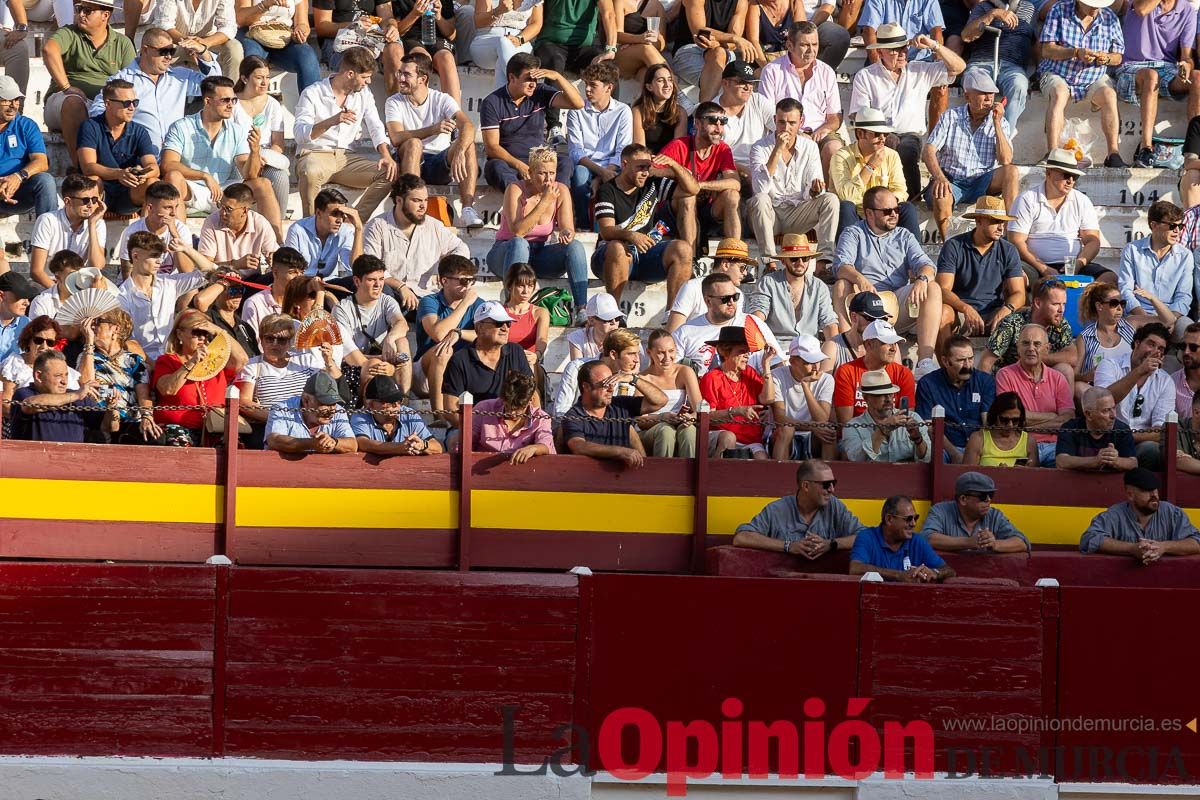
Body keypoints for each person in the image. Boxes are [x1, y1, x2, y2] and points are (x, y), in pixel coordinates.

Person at [831, 186, 946, 371]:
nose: (894, 214)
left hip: (895, 303)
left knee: (932, 287)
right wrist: (860, 278)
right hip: (865, 306)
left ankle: (924, 362)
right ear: (869, 213)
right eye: (887, 211)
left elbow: (927, 266)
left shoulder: (904, 235)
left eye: (896, 209)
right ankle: (847, 352)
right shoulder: (853, 233)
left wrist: (922, 279)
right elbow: (840, 266)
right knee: (841, 284)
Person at [847, 24, 964, 202]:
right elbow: (860, 115)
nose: (902, 53)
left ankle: (910, 201)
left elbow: (959, 67)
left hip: (910, 134)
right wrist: (883, 133)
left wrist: (934, 45)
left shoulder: (920, 69)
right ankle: (888, 202)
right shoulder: (866, 76)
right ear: (881, 52)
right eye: (895, 50)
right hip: (879, 134)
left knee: (907, 150)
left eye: (904, 48)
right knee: (891, 148)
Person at [161, 75, 284, 241]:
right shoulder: (182, 126)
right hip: (191, 190)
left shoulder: (237, 130)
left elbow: (249, 175)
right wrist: (204, 176)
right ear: (207, 101)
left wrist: (255, 151)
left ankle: (277, 247)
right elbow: (168, 164)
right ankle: (178, 246)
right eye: (225, 100)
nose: (231, 105)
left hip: (225, 190)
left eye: (233, 100)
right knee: (173, 177)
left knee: (263, 184)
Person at [292, 48, 397, 219]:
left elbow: (375, 125)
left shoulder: (364, 94)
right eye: (364, 77)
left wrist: (386, 155)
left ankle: (354, 221)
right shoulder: (312, 92)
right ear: (350, 74)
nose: (369, 81)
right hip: (315, 154)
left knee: (389, 173)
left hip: (346, 159)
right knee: (309, 171)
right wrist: (331, 121)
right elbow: (300, 134)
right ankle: (310, 226)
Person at [486, 146, 589, 313]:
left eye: (552, 173)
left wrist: (566, 233)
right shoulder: (515, 189)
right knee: (519, 243)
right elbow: (518, 231)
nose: (548, 179)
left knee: (575, 246)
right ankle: (511, 307)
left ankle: (582, 309)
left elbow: (567, 226)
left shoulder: (560, 190)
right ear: (531, 172)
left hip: (540, 253)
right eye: (542, 173)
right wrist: (544, 202)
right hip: (507, 252)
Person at [386, 52, 483, 230]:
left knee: (467, 143)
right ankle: (412, 208)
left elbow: (468, 125)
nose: (400, 78)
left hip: (438, 161)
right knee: (414, 143)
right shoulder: (394, 101)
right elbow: (396, 137)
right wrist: (432, 129)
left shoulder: (441, 99)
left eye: (406, 74)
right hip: (409, 160)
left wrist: (460, 150)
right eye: (400, 73)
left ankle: (468, 209)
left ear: (422, 79)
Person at [593, 143, 696, 309]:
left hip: (644, 255)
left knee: (683, 249)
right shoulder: (607, 189)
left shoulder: (652, 183)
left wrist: (674, 165)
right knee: (617, 248)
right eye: (640, 167)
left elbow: (692, 189)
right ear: (624, 164)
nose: (645, 172)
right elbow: (606, 231)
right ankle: (612, 313)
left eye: (648, 167)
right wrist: (632, 235)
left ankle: (673, 315)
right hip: (609, 258)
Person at [922, 71, 1017, 241]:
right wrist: (940, 178)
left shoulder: (1000, 122)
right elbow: (928, 150)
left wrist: (996, 124)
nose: (989, 98)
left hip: (981, 181)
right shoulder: (951, 117)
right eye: (982, 93)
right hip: (952, 180)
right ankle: (949, 245)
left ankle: (1011, 234)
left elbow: (1006, 160)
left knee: (1011, 171)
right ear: (967, 95)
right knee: (941, 193)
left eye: (991, 93)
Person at [42, 0, 136, 170]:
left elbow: (132, 82)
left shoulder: (123, 43)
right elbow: (49, 50)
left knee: (127, 105)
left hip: (104, 104)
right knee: (73, 102)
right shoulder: (69, 33)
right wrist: (66, 87)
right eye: (78, 9)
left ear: (105, 15)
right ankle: (82, 169)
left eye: (88, 10)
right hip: (63, 101)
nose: (81, 14)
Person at [98, 27, 219, 152]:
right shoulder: (122, 79)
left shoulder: (181, 76)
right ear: (145, 50)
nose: (168, 57)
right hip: (138, 156)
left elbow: (216, 86)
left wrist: (203, 51)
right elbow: (99, 110)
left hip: (177, 155)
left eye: (172, 51)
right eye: (163, 51)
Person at [747, 97, 838, 261]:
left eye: (792, 123)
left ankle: (824, 261)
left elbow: (815, 185)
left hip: (798, 213)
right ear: (774, 120)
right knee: (760, 199)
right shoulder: (759, 147)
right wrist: (777, 150)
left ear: (801, 122)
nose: (786, 128)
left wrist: (814, 190)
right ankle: (769, 261)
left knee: (830, 199)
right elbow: (760, 189)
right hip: (770, 215)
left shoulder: (809, 147)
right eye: (781, 122)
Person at [1038, 0, 1126, 168]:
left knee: (1109, 95)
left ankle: (1113, 153)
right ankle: (1053, 152)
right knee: (1059, 93)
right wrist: (1075, 52)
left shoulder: (1110, 17)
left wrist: (1106, 58)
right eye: (1092, 4)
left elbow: (1118, 56)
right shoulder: (1059, 10)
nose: (1095, 9)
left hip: (1093, 76)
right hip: (1058, 72)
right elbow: (1047, 50)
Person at [365, 175, 470, 309]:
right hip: (390, 294)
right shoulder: (377, 226)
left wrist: (448, 270)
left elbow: (461, 248)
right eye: (416, 200)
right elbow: (372, 269)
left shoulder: (434, 226)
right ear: (399, 200)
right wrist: (401, 287)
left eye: (425, 200)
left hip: (426, 296)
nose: (423, 206)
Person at [480, 53, 583, 189]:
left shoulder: (540, 92)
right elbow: (492, 148)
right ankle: (521, 205)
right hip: (510, 163)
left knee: (565, 162)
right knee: (495, 167)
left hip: (539, 159)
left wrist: (557, 76)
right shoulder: (492, 102)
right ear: (512, 78)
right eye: (528, 79)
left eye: (536, 80)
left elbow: (578, 103)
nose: (533, 85)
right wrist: (519, 165)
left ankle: (555, 203)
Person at [755, 22, 843, 177]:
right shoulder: (772, 71)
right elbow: (766, 114)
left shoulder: (827, 72)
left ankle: (825, 195)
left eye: (815, 44)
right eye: (804, 45)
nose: (811, 50)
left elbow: (835, 117)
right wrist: (796, 134)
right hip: (784, 132)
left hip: (819, 133)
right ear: (789, 45)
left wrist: (821, 131)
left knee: (834, 147)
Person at [1116, 0, 1197, 165]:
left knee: (1197, 77)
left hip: (1166, 68)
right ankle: (1145, 148)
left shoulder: (1187, 10)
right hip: (1131, 66)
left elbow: (1186, 56)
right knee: (1151, 76)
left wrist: (1186, 66)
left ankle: (1195, 148)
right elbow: (1142, 9)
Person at [152, 309, 249, 446]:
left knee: (234, 447)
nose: (202, 338)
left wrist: (218, 331)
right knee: (179, 444)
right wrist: (191, 363)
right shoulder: (167, 361)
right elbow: (168, 389)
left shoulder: (217, 360)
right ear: (180, 334)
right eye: (197, 332)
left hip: (215, 427)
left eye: (206, 333)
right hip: (179, 427)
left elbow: (242, 359)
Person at [119, 231, 218, 360]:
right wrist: (151, 366)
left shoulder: (169, 283)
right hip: (142, 362)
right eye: (154, 256)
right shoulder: (121, 295)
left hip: (173, 358)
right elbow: (128, 341)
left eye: (160, 256)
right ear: (136, 256)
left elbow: (211, 272)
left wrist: (186, 249)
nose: (159, 261)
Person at [936, 196, 1024, 339]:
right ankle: (944, 361)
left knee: (1022, 318)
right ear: (979, 221)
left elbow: (1019, 293)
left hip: (994, 312)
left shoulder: (1008, 250)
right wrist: (965, 308)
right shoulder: (954, 246)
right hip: (961, 312)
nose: (1001, 227)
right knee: (942, 314)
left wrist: (1006, 310)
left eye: (1002, 221)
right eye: (995, 221)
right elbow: (942, 290)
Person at [733, 459, 861, 557]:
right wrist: (788, 546)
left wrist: (831, 544)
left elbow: (866, 536)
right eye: (826, 484)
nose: (832, 490)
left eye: (834, 483)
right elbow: (741, 537)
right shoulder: (777, 509)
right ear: (806, 486)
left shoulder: (834, 506)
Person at [660, 101, 743, 250]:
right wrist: (679, 173)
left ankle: (734, 256)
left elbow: (735, 183)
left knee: (732, 195)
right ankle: (690, 260)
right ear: (697, 124)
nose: (719, 128)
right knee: (687, 195)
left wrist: (700, 185)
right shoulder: (679, 145)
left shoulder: (723, 149)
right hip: (677, 211)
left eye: (723, 122)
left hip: (706, 210)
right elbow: (652, 170)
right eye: (712, 121)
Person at [441, 301, 534, 428]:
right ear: (479, 327)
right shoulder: (460, 360)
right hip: (471, 428)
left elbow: (532, 393)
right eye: (498, 323)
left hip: (514, 426)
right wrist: (480, 431)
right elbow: (451, 409)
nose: (505, 328)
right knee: (454, 442)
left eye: (508, 323)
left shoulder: (516, 351)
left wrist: (529, 427)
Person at [829, 108, 918, 238]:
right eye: (877, 134)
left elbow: (900, 190)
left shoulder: (891, 155)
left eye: (885, 134)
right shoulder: (841, 156)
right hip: (855, 214)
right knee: (846, 207)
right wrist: (870, 166)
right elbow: (846, 196)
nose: (882, 139)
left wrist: (884, 207)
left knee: (907, 208)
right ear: (860, 133)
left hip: (884, 213)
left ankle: (916, 256)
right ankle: (846, 256)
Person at [747, 234, 838, 360]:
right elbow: (758, 317)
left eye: (805, 258)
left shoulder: (819, 286)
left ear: (810, 259)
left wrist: (834, 353)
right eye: (794, 259)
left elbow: (829, 322)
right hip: (776, 350)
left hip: (810, 351)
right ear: (783, 261)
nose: (800, 263)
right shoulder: (768, 282)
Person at [1094, 322, 1173, 468]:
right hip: (1105, 440)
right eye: (1151, 344)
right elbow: (1100, 403)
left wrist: (1127, 437)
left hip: (1138, 445)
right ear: (1137, 343)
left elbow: (1160, 432)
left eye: (1161, 349)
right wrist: (1139, 371)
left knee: (1152, 449)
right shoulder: (1109, 365)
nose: (1155, 352)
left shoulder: (1166, 381)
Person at [76, 308, 161, 443]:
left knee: (153, 437)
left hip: (129, 421)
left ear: (115, 328)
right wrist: (89, 342)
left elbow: (143, 393)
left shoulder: (133, 360)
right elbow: (85, 384)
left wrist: (147, 417)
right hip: (99, 419)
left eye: (97, 321)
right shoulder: (86, 357)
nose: (92, 326)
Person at [332, 254, 411, 397]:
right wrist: (383, 361)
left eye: (381, 279)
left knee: (402, 340)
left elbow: (402, 324)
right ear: (357, 281)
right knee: (372, 364)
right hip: (354, 366)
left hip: (382, 359)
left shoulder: (387, 301)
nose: (378, 285)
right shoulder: (342, 309)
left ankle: (403, 396)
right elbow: (348, 356)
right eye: (371, 280)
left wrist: (390, 339)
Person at [78, 78, 160, 216]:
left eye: (135, 102)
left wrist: (142, 175)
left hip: (128, 192)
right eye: (126, 103)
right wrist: (119, 174)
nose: (132, 107)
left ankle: (147, 232)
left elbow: (154, 167)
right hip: (101, 191)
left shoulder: (140, 131)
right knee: (92, 180)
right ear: (108, 104)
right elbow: (88, 166)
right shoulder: (90, 127)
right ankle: (92, 227)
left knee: (153, 183)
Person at [995, 323, 1075, 466]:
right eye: (1026, 343)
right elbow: (1010, 415)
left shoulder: (1058, 378)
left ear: (1047, 349)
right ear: (1018, 347)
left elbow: (1067, 420)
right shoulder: (1005, 375)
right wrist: (1051, 416)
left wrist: (1028, 426)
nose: (1031, 348)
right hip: (1019, 446)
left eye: (1037, 344)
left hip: (1054, 447)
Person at [414, 255, 485, 414]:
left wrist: (459, 333)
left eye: (471, 281)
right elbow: (438, 334)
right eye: (463, 281)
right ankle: (438, 414)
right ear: (444, 281)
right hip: (426, 373)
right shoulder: (429, 301)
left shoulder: (479, 304)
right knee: (444, 351)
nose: (468, 287)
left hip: (461, 372)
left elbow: (488, 336)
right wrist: (465, 304)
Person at [673, 273, 783, 375]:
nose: (731, 302)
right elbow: (670, 372)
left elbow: (777, 366)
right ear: (708, 301)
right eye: (724, 299)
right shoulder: (685, 332)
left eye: (735, 297)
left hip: (749, 392)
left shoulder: (753, 323)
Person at [1079, 468, 1200, 561]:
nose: (1154, 495)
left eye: (1155, 489)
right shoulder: (1115, 515)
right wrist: (1131, 549)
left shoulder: (1172, 513)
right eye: (1146, 490)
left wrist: (1164, 546)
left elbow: (1196, 542)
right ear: (1130, 495)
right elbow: (1089, 539)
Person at [567, 61, 632, 230]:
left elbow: (622, 150)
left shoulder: (623, 111)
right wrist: (601, 173)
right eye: (586, 84)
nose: (587, 89)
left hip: (613, 165)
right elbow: (576, 152)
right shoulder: (576, 110)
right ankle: (583, 224)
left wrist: (602, 176)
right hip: (587, 165)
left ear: (608, 87)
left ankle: (602, 231)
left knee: (611, 180)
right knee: (580, 176)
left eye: (593, 85)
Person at [236, 313, 315, 448]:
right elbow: (244, 402)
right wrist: (281, 418)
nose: (275, 344)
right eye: (269, 338)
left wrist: (329, 361)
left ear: (290, 342)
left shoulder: (306, 361)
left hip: (308, 428)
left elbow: (324, 391)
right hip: (271, 429)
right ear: (261, 339)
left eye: (282, 340)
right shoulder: (252, 365)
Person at [1117, 200, 1191, 339]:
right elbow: (1125, 290)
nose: (1177, 231)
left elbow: (1184, 296)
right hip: (1138, 314)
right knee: (1123, 330)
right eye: (1172, 226)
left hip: (1172, 316)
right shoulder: (1132, 250)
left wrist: (1169, 319)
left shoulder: (1185, 256)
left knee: (1192, 335)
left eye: (1180, 226)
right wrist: (1146, 318)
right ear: (1154, 225)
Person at [916, 334, 995, 463]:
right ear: (946, 361)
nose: (968, 365)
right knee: (934, 458)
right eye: (961, 360)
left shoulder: (985, 381)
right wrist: (954, 454)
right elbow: (928, 427)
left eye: (970, 359)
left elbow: (987, 422)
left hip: (980, 446)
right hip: (944, 447)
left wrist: (974, 451)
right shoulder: (928, 384)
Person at [700, 327, 777, 458]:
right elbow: (706, 416)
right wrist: (736, 411)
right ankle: (716, 477)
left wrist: (766, 365)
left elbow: (768, 399)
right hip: (721, 435)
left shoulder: (749, 373)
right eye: (742, 351)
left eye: (748, 351)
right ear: (725, 352)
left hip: (750, 440)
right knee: (729, 439)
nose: (747, 355)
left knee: (762, 459)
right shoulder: (712, 378)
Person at [960, 0, 1036, 130]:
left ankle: (1002, 137)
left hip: (1013, 67)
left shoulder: (1029, 8)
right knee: (976, 87)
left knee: (1019, 86)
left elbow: (1034, 42)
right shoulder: (983, 7)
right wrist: (992, 14)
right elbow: (966, 36)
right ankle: (977, 134)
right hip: (981, 64)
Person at [981, 278, 1076, 382]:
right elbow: (987, 361)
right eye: (1055, 304)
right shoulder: (1012, 323)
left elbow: (1072, 356)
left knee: (1065, 370)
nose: (1061, 310)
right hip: (1011, 379)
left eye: (1064, 304)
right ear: (1038, 303)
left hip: (1040, 378)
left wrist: (1037, 357)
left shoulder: (1060, 322)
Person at [562, 360, 649, 468]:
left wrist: (633, 379)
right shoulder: (574, 415)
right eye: (605, 384)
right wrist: (620, 451)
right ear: (586, 387)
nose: (611, 389)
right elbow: (579, 446)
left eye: (612, 383)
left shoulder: (620, 405)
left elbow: (660, 401)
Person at [849, 495, 956, 582]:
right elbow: (855, 568)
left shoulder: (917, 541)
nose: (913, 524)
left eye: (915, 518)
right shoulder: (867, 537)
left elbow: (949, 570)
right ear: (889, 519)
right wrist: (898, 575)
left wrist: (935, 572)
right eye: (908, 519)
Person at [232, 56, 289, 218]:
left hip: (266, 156)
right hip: (239, 156)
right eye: (259, 78)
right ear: (244, 78)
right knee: (239, 174)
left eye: (267, 77)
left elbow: (278, 144)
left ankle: (279, 223)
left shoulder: (273, 104)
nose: (265, 82)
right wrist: (252, 156)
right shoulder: (233, 103)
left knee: (280, 176)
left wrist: (262, 157)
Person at [27, 174, 107, 288]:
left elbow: (97, 266)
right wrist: (63, 293)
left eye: (94, 200)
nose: (91, 205)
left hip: (79, 287)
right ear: (67, 201)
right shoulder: (47, 220)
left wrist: (92, 224)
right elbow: (36, 272)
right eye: (85, 200)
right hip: (47, 285)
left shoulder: (97, 224)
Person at [921, 472, 1030, 553]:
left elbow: (1022, 542)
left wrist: (994, 544)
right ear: (963, 499)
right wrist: (969, 542)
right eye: (982, 496)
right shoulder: (941, 511)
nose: (988, 500)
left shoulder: (994, 515)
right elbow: (927, 538)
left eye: (990, 495)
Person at [832, 319, 915, 422]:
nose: (893, 349)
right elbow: (846, 425)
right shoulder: (847, 372)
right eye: (887, 343)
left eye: (895, 343)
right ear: (869, 344)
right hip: (858, 436)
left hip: (894, 436)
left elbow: (906, 420)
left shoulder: (903, 374)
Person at [670, 0, 753, 103]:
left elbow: (732, 44)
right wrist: (733, 38)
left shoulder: (740, 2)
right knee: (719, 54)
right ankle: (707, 110)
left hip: (723, 50)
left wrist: (718, 43)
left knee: (719, 53)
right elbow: (699, 32)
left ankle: (706, 111)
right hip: (689, 49)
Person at [636, 328, 702, 458]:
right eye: (661, 353)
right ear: (649, 353)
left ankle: (691, 476)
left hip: (680, 425)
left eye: (671, 351)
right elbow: (639, 420)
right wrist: (661, 418)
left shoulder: (685, 372)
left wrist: (690, 417)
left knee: (689, 431)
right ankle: (663, 476)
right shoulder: (642, 378)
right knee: (665, 430)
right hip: (652, 430)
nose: (667, 358)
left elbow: (700, 408)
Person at [471, 363, 555, 463]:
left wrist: (533, 448)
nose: (512, 413)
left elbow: (546, 444)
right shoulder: (484, 409)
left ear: (530, 400)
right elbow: (465, 443)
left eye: (519, 409)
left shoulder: (541, 418)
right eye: (508, 407)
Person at [842, 369, 931, 462]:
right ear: (866, 398)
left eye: (890, 394)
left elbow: (928, 459)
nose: (888, 399)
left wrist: (918, 439)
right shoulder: (852, 427)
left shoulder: (913, 418)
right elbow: (856, 459)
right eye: (881, 395)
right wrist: (882, 431)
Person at [769, 334, 835, 460]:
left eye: (818, 361)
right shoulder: (776, 376)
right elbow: (780, 418)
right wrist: (811, 426)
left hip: (812, 434)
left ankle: (828, 476)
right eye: (809, 363)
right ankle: (778, 476)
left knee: (828, 432)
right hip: (783, 434)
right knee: (787, 429)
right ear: (792, 361)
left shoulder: (827, 379)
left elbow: (822, 420)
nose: (816, 367)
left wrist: (805, 385)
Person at [665, 237, 752, 332]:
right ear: (725, 265)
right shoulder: (692, 287)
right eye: (742, 268)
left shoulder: (739, 295)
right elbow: (673, 331)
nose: (745, 273)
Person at [233, 0, 321, 93]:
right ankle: (249, 102)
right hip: (252, 33)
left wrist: (300, 32)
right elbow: (240, 18)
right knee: (252, 58)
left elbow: (302, 23)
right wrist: (264, 5)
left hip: (284, 36)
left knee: (307, 56)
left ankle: (311, 103)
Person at [8, 350, 95, 443]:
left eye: (66, 375)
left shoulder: (78, 398)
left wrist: (112, 410)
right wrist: (77, 395)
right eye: (58, 376)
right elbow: (30, 404)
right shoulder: (24, 394)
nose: (64, 381)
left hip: (73, 457)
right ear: (38, 376)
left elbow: (106, 426)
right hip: (35, 456)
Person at [0, 317, 80, 417]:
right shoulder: (15, 364)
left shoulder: (63, 369)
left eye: (50, 342)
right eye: (38, 340)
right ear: (28, 340)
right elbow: (5, 404)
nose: (44, 346)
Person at [0, 76, 54, 221]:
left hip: (19, 192)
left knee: (45, 181)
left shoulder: (26, 125)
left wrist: (18, 176)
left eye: (16, 100)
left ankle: (49, 237)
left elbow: (42, 162)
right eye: (6, 100)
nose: (13, 105)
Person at [197, 183, 280, 276]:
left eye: (228, 209)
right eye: (221, 206)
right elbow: (205, 267)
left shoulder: (260, 223)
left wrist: (274, 261)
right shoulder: (212, 222)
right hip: (220, 280)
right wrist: (236, 264)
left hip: (252, 280)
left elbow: (276, 257)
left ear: (244, 210)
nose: (222, 213)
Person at [265, 371, 358, 454]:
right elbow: (274, 440)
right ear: (306, 400)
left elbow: (353, 445)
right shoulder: (281, 409)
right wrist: (311, 443)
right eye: (324, 404)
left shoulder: (339, 410)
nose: (330, 411)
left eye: (333, 404)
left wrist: (334, 442)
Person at [351, 375, 443, 457]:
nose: (396, 405)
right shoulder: (361, 416)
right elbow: (363, 443)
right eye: (389, 401)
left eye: (399, 400)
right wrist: (399, 447)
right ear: (370, 405)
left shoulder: (409, 414)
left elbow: (437, 447)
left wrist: (422, 445)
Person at [115, 181, 194, 276]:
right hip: (141, 283)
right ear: (150, 208)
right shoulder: (132, 231)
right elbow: (127, 271)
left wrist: (175, 235)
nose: (173, 213)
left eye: (176, 207)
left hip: (170, 283)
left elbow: (187, 272)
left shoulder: (181, 229)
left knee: (192, 290)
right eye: (168, 208)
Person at [716, 61, 775, 183]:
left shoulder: (757, 100)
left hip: (761, 166)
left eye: (751, 83)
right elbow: (713, 156)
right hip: (727, 170)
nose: (748, 87)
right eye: (742, 82)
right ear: (725, 83)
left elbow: (780, 126)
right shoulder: (712, 112)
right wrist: (746, 171)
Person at [284, 188, 363, 279]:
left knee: (358, 280)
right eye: (334, 214)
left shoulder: (344, 231)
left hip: (329, 284)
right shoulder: (297, 230)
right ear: (318, 213)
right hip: (302, 284)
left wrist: (358, 228)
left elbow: (356, 269)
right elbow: (290, 271)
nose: (339, 220)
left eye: (342, 215)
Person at [1074, 282, 1136, 396]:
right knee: (1078, 387)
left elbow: (1168, 320)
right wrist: (1086, 376)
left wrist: (1152, 299)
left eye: (1122, 303)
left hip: (1130, 388)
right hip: (1100, 395)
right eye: (1114, 303)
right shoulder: (1085, 337)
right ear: (1099, 306)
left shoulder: (1131, 325)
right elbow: (1074, 374)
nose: (1119, 308)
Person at [1056, 385, 1137, 471]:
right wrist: (1095, 461)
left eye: (1113, 408)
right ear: (1088, 414)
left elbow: (1133, 463)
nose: (1113, 415)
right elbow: (1062, 461)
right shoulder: (1070, 427)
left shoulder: (1121, 429)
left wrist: (1115, 460)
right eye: (1106, 410)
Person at [470, 0, 543, 92]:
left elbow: (536, 24)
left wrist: (519, 39)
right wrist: (498, 11)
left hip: (520, 40)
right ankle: (518, 89)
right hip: (487, 40)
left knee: (502, 58)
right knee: (504, 42)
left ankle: (502, 102)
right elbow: (479, 22)